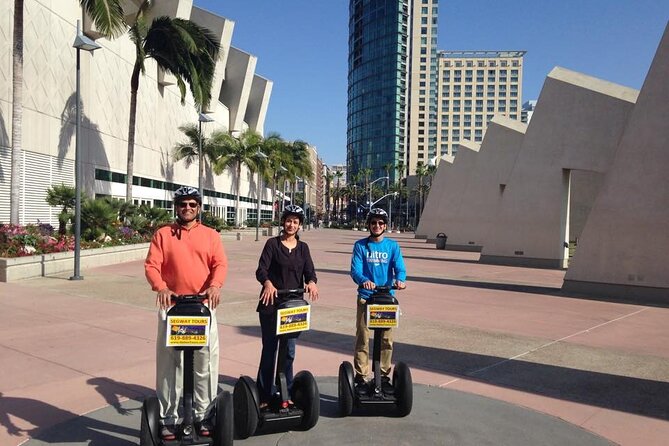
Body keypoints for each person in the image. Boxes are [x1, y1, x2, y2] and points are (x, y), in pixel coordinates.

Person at [144, 186, 228, 440]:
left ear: (199, 208)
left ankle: (203, 414)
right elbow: (152, 265)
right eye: (183, 204)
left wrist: (215, 285)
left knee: (205, 362)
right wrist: (161, 287)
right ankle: (168, 417)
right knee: (170, 364)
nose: (188, 209)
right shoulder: (163, 234)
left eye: (192, 204)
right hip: (173, 306)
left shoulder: (211, 235)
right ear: (176, 207)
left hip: (203, 306)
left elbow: (220, 264)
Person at [255, 204, 319, 409]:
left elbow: (310, 272)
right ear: (283, 222)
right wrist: (267, 283)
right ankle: (264, 394)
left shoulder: (303, 248)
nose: (291, 225)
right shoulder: (272, 244)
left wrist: (312, 282)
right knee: (270, 349)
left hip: (293, 306)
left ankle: (285, 391)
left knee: (289, 350)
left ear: (300, 225)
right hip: (271, 305)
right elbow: (261, 270)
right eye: (288, 220)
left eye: (295, 221)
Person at [350, 208, 406, 395]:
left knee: (386, 339)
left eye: (380, 223)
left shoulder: (392, 246)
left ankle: (382, 375)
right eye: (373, 223)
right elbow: (355, 269)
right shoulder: (360, 246)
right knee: (363, 338)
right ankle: (361, 375)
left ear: (385, 226)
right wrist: (363, 279)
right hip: (366, 297)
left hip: (385, 299)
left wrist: (401, 280)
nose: (377, 226)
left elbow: (400, 267)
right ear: (369, 225)